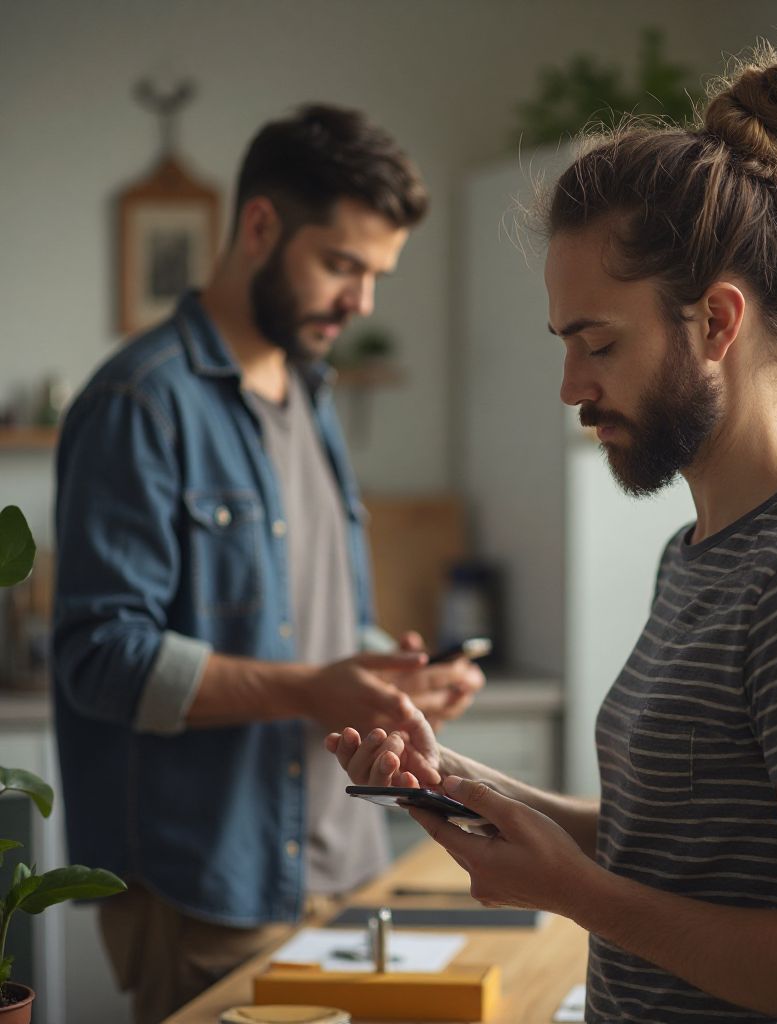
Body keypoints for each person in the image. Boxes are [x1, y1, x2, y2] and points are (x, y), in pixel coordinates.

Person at [329, 34, 777, 1024]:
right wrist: (455, 780)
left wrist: (572, 892)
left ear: (717, 323)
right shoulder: (700, 554)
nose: (572, 387)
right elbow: (680, 847)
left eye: (598, 343)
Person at [52, 104, 484, 1024]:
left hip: (342, 867)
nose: (362, 302)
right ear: (258, 227)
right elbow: (99, 657)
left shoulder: (310, 395)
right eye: (342, 265)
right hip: (210, 888)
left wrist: (387, 677)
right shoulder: (140, 403)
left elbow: (310, 623)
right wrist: (311, 689)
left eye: (376, 275)